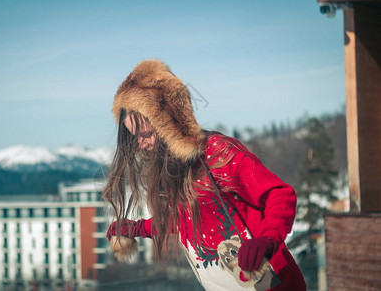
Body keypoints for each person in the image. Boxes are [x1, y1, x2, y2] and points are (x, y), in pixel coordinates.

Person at [103, 60, 306, 291]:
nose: (141, 144)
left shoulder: (218, 153)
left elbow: (279, 194)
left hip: (272, 284)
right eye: (135, 137)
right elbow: (187, 219)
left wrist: (268, 239)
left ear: (170, 123)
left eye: (147, 134)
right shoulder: (174, 168)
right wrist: (138, 228)